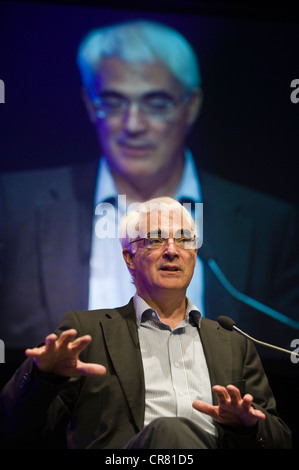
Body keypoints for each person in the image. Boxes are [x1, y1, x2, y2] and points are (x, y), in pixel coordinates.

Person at [0, 19, 298, 354]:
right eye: (113, 102)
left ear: (192, 105)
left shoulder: (270, 225)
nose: (133, 124)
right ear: (89, 104)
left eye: (156, 104)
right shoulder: (13, 206)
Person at [0, 198, 292, 449]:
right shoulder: (89, 332)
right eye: (155, 239)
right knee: (169, 431)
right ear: (129, 257)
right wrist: (44, 376)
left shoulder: (233, 342)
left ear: (194, 255)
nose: (172, 250)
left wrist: (247, 427)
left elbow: (280, 438)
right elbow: (15, 426)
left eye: (184, 239)